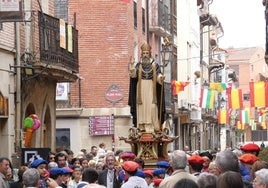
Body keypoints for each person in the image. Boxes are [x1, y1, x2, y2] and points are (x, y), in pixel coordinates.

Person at [128, 42, 165, 133]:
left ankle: (152, 125)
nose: (145, 55)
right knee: (141, 107)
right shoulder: (139, 65)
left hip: (151, 89)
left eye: (147, 53)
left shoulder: (154, 65)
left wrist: (160, 78)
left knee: (152, 107)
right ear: (141, 54)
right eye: (143, 53)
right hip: (140, 89)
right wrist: (132, 65)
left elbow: (158, 75)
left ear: (149, 53)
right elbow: (133, 75)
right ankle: (142, 126)